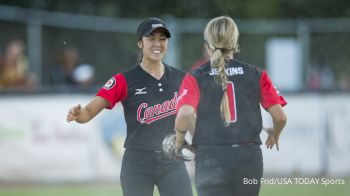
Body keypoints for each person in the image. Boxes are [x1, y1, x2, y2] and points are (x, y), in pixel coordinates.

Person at [66, 17, 193, 196]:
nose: (158, 43)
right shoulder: (123, 80)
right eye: (151, 38)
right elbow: (88, 112)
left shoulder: (182, 78)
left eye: (162, 39)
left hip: (172, 161)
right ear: (140, 43)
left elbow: (198, 114)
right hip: (137, 164)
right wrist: (78, 114)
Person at [171, 16, 287, 196]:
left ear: (208, 45)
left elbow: (185, 115)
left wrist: (178, 142)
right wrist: (275, 132)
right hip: (248, 158)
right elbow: (280, 117)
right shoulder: (255, 74)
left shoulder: (195, 76)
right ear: (234, 43)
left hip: (211, 158)